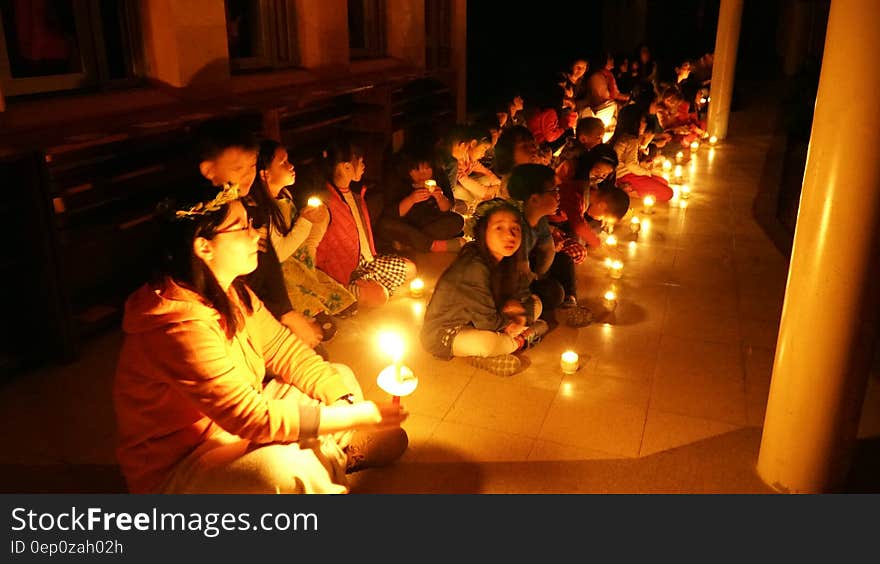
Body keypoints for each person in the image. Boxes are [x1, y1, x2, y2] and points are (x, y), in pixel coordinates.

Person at [114, 184, 408, 494]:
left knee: (339, 377)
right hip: (185, 463)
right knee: (283, 470)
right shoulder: (176, 327)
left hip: (233, 433)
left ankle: (330, 456)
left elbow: (285, 350)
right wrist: (348, 416)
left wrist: (342, 402)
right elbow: (250, 418)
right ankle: (325, 460)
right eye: (242, 227)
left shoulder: (232, 291)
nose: (256, 234)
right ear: (204, 247)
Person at [192, 119, 325, 348]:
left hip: (255, 304)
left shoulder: (252, 204)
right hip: (224, 316)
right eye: (238, 168)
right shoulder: (203, 221)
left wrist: (286, 311)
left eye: (252, 165)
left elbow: (268, 257)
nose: (247, 175)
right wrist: (282, 314)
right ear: (208, 170)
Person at [421, 199, 548, 377]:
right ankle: (521, 340)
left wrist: (521, 315)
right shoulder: (474, 267)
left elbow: (523, 293)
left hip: (490, 316)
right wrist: (516, 322)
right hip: (449, 332)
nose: (510, 235)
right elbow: (487, 322)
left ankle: (513, 340)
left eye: (515, 228)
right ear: (483, 232)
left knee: (537, 303)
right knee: (487, 343)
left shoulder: (510, 258)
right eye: (499, 228)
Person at [250, 140, 356, 333]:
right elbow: (279, 253)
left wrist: (315, 219)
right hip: (285, 277)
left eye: (288, 160)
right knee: (325, 329)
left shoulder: (285, 195)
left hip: (302, 267)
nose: (291, 166)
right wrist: (305, 222)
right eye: (283, 163)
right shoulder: (264, 211)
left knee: (350, 305)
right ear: (265, 174)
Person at [315, 138, 417, 308]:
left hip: (367, 263)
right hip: (345, 273)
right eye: (360, 162)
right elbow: (321, 249)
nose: (364, 166)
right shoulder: (326, 201)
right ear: (346, 166)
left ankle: (372, 286)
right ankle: (356, 292)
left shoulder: (356, 194)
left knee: (411, 269)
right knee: (378, 297)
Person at [506, 163, 579, 313]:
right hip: (512, 276)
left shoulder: (540, 219)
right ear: (534, 199)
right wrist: (538, 280)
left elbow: (548, 249)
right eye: (553, 190)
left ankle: (570, 295)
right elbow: (522, 270)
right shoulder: (516, 226)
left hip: (530, 270)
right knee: (553, 293)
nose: (558, 195)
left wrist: (540, 274)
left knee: (564, 260)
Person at [377, 148, 465, 254]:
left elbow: (448, 208)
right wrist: (411, 199)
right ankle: (433, 246)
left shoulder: (440, 177)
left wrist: (440, 197)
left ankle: (411, 243)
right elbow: (392, 213)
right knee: (384, 225)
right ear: (407, 170)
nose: (422, 174)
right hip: (406, 223)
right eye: (416, 170)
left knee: (457, 220)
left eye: (427, 169)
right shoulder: (399, 181)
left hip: (428, 224)